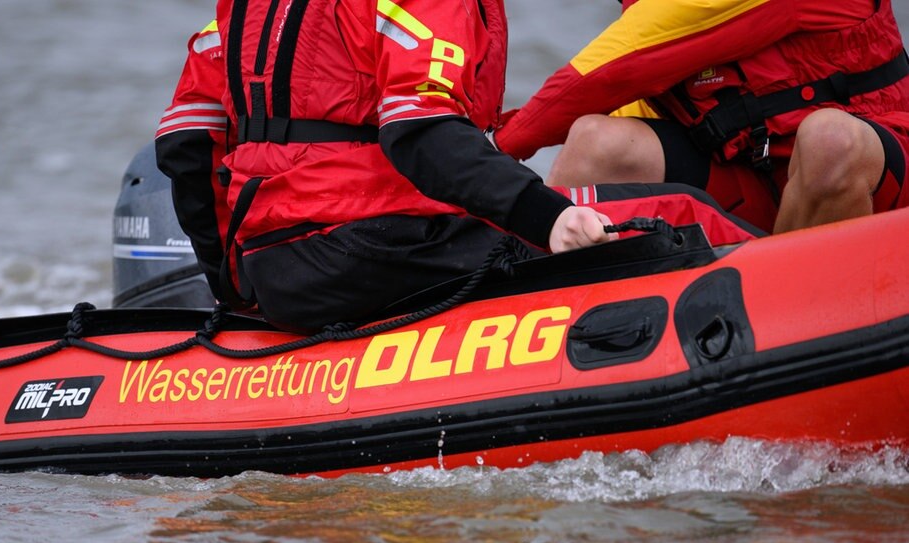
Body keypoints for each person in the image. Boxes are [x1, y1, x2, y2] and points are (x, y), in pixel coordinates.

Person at [153, 1, 748, 332]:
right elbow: (422, 134)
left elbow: (187, 146)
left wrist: (234, 286)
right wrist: (547, 218)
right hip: (384, 243)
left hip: (277, 270)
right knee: (680, 213)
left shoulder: (244, 12)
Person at [494, 0, 909, 234]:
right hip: (753, 175)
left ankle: (785, 324)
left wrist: (487, 154)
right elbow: (634, 106)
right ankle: (545, 314)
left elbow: (615, 70)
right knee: (594, 143)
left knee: (830, 139)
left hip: (874, 182)